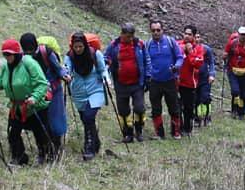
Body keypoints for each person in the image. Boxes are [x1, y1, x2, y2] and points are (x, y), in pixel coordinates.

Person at [0, 39, 52, 164]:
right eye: (4, 54)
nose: (7, 57)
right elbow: (2, 82)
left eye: (9, 54)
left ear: (16, 53)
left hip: (35, 105)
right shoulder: (6, 66)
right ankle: (19, 158)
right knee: (13, 133)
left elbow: (42, 84)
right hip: (16, 107)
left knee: (40, 133)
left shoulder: (29, 63)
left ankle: (45, 156)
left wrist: (34, 98)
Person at [20, 33, 66, 160]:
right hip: (37, 94)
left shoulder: (46, 52)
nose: (29, 53)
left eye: (31, 50)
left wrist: (65, 75)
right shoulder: (23, 57)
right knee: (40, 123)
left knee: (54, 121)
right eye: (26, 51)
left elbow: (58, 68)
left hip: (54, 91)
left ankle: (56, 150)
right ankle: (44, 151)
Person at [62, 32, 107, 160]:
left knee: (88, 116)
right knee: (86, 119)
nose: (78, 49)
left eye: (80, 46)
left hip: (95, 90)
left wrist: (105, 78)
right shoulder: (69, 57)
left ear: (85, 45)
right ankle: (95, 142)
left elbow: (103, 70)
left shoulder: (95, 54)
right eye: (75, 47)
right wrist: (66, 75)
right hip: (78, 93)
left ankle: (89, 148)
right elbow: (66, 69)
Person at [105, 23, 149, 142]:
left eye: (131, 36)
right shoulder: (114, 45)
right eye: (128, 36)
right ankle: (128, 134)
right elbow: (105, 57)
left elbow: (146, 60)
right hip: (120, 84)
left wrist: (148, 77)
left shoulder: (139, 44)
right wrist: (107, 62)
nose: (130, 38)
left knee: (139, 108)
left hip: (137, 84)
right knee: (123, 111)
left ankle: (139, 131)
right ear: (122, 34)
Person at [146, 18, 184, 138]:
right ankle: (159, 133)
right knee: (156, 109)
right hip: (154, 81)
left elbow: (180, 57)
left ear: (163, 30)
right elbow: (144, 61)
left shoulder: (170, 42)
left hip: (170, 80)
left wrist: (177, 66)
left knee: (173, 107)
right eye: (153, 30)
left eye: (158, 30)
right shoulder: (147, 45)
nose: (156, 32)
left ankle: (176, 132)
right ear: (150, 31)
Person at [177, 25, 208, 136]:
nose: (187, 36)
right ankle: (177, 128)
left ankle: (187, 129)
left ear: (194, 36)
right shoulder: (177, 45)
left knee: (188, 108)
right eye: (185, 33)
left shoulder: (199, 48)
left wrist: (190, 52)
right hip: (176, 81)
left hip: (190, 83)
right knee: (176, 106)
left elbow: (197, 63)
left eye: (190, 34)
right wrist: (182, 49)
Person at [224, 27, 245, 119]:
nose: (243, 37)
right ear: (238, 34)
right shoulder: (232, 43)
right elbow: (226, 53)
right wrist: (224, 56)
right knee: (235, 91)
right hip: (232, 70)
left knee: (243, 94)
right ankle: (234, 109)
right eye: (241, 34)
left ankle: (241, 113)